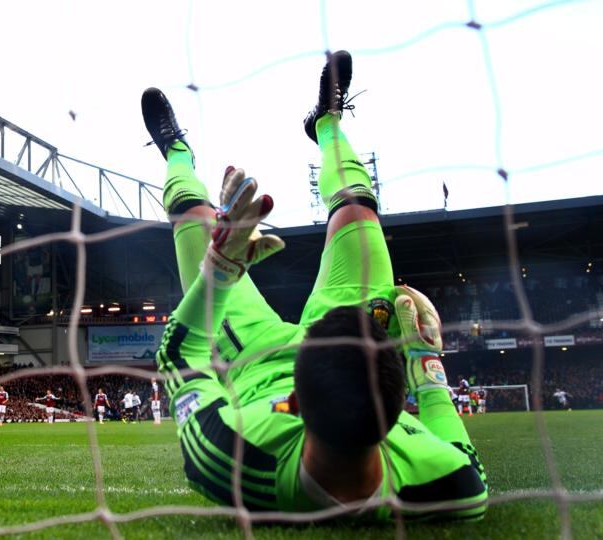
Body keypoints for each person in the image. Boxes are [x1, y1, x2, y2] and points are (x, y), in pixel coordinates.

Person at [144, 50, 486, 520]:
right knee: (357, 210)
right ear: (397, 417)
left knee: (193, 215)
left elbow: (180, 354)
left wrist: (220, 266)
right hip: (346, 355)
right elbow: (459, 450)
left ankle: (177, 153)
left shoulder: (231, 458)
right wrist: (426, 361)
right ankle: (326, 123)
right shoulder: (448, 483)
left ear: (294, 404)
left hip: (253, 359)